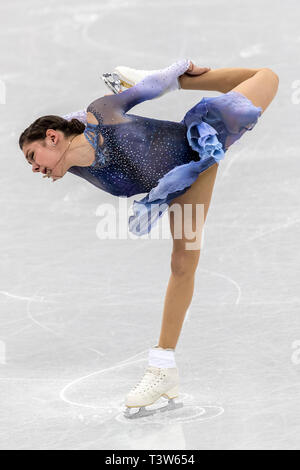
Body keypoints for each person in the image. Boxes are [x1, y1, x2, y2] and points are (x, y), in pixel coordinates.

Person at [19, 59, 279, 418]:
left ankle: (181, 83)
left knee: (265, 77)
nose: (35, 168)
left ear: (52, 137)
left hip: (200, 140)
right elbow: (66, 127)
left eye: (33, 157)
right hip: (179, 185)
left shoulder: (102, 113)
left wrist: (177, 74)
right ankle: (162, 369)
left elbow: (150, 89)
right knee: (182, 263)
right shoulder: (71, 164)